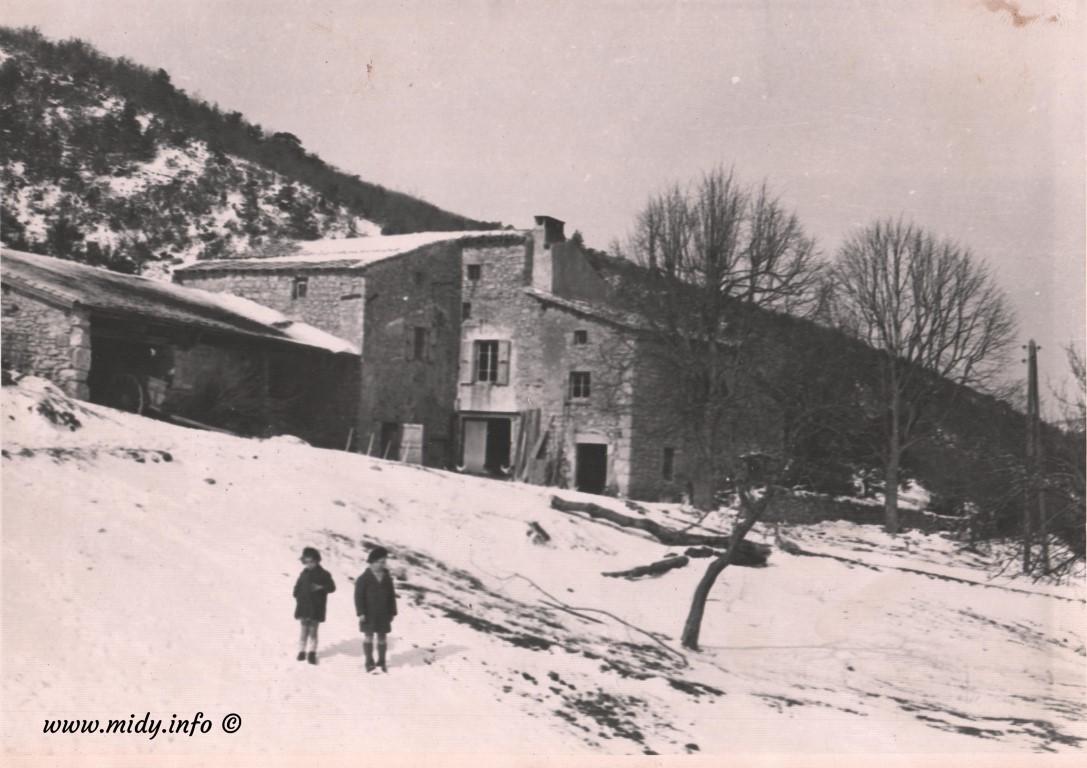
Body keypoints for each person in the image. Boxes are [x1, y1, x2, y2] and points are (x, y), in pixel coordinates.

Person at [354, 546, 398, 673]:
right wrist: (360, 612)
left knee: (382, 637)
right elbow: (358, 597)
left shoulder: (387, 578)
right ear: (372, 561)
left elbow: (391, 596)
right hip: (368, 614)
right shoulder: (363, 579)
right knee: (368, 636)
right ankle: (369, 661)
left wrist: (392, 611)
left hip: (383, 613)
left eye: (384, 562)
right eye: (380, 562)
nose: (382, 565)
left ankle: (382, 661)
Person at [292, 546, 336, 664]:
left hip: (316, 606)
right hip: (303, 606)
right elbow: (298, 586)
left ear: (317, 560)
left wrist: (321, 587)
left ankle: (312, 652)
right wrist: (297, 594)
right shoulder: (304, 573)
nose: (309, 564)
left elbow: (332, 588)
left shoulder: (324, 574)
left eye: (311, 561)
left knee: (313, 630)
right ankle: (302, 651)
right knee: (303, 629)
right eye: (306, 562)